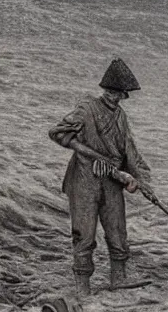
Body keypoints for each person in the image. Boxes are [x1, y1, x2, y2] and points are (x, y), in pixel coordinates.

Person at [49, 58, 151, 296]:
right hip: (84, 180)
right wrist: (90, 154)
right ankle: (83, 287)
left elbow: (129, 150)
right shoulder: (86, 109)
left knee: (117, 231)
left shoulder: (121, 116)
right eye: (111, 92)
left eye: (120, 94)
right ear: (104, 89)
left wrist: (137, 178)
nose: (115, 97)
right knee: (83, 235)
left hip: (112, 181)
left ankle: (119, 279)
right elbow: (56, 132)